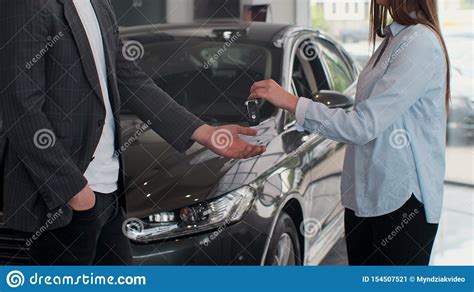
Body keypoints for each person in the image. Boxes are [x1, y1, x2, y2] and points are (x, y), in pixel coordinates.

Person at [0, 0, 265, 265]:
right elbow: (19, 106)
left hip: (110, 194)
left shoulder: (99, 4)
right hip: (63, 202)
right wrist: (75, 192)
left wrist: (203, 132)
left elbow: (131, 80)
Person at [249, 0, 450, 265]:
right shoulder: (394, 38)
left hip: (400, 204)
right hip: (366, 196)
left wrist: (291, 101)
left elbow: (363, 125)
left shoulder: (419, 43)